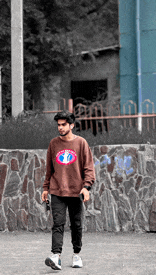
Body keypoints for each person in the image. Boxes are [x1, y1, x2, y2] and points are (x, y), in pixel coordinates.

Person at [41, 110, 95, 270]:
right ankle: (56, 256)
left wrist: (86, 187)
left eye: (63, 125)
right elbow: (49, 169)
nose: (60, 128)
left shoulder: (81, 143)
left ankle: (76, 254)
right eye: (58, 125)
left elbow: (89, 169)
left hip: (76, 191)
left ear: (71, 125)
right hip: (57, 190)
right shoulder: (53, 144)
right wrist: (45, 188)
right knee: (57, 224)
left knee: (76, 225)